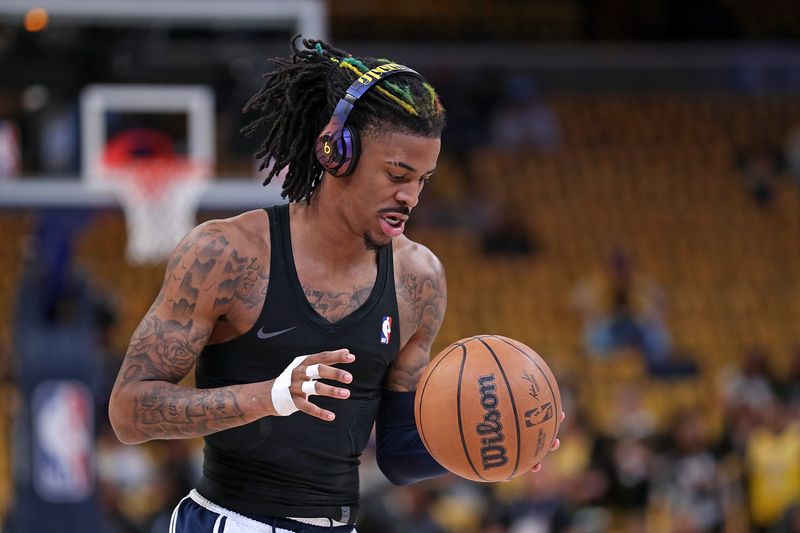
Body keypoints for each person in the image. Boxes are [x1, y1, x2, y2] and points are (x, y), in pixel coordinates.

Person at [108, 37, 560, 533]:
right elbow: (129, 412)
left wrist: (487, 445)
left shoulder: (420, 279)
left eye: (423, 180)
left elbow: (397, 455)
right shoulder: (225, 254)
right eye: (396, 174)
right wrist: (270, 397)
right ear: (336, 150)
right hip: (229, 520)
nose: (410, 197)